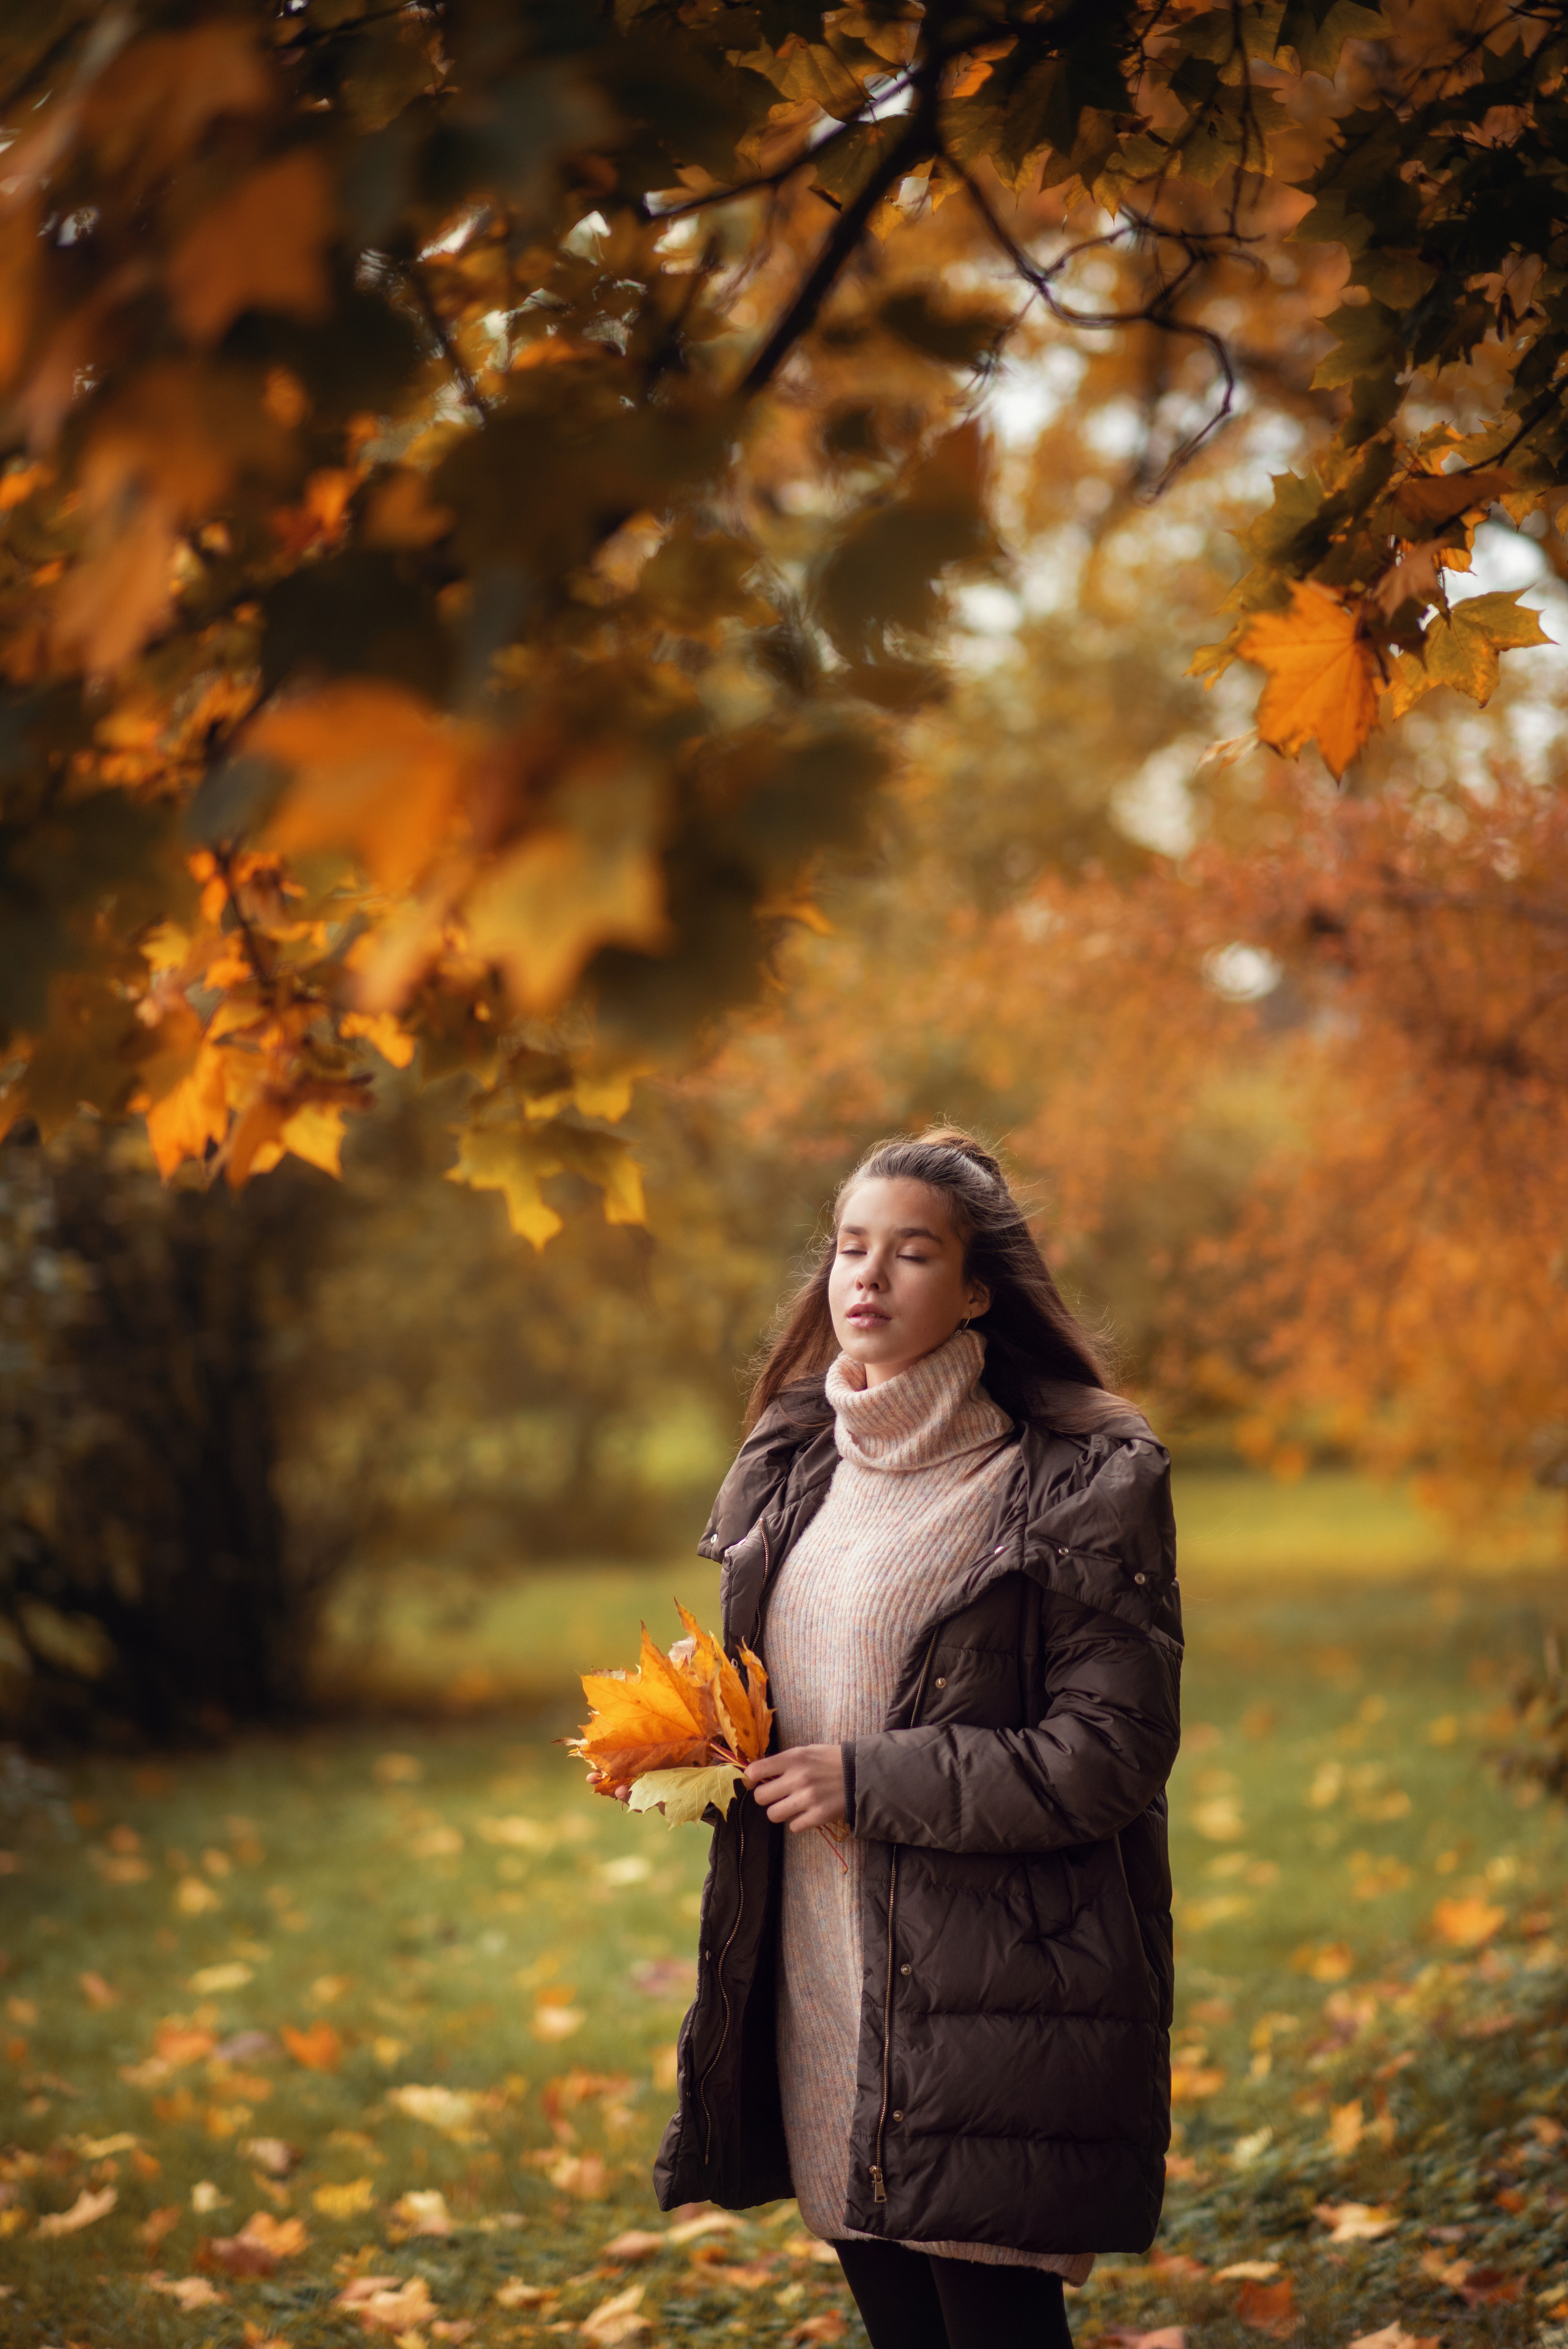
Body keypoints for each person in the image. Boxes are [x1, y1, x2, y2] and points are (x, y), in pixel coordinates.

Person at [652, 1128, 1182, 2349]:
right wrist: (702, 1729)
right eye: (850, 1248)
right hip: (820, 1983)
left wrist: (863, 1778)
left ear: (977, 1289)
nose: (868, 1277)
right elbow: (804, 1694)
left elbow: (1106, 1754)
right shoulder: (793, 1459)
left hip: (997, 1991)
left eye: (912, 1252)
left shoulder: (1076, 1478)